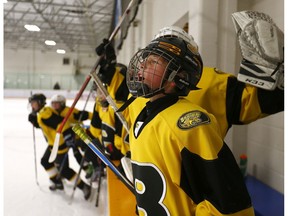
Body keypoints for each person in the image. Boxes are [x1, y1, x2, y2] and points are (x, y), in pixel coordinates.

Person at [126, 36, 254, 215]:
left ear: (178, 77)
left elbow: (228, 204)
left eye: (154, 61)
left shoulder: (190, 125)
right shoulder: (144, 114)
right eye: (145, 60)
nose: (143, 65)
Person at [28, 93, 91, 200]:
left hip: (59, 145)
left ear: (39, 103)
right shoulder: (43, 112)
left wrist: (67, 135)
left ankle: (84, 186)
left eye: (33, 103)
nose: (32, 106)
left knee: (64, 170)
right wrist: (35, 122)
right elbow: (47, 125)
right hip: (52, 144)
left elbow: (61, 124)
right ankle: (57, 182)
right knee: (45, 161)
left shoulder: (45, 114)